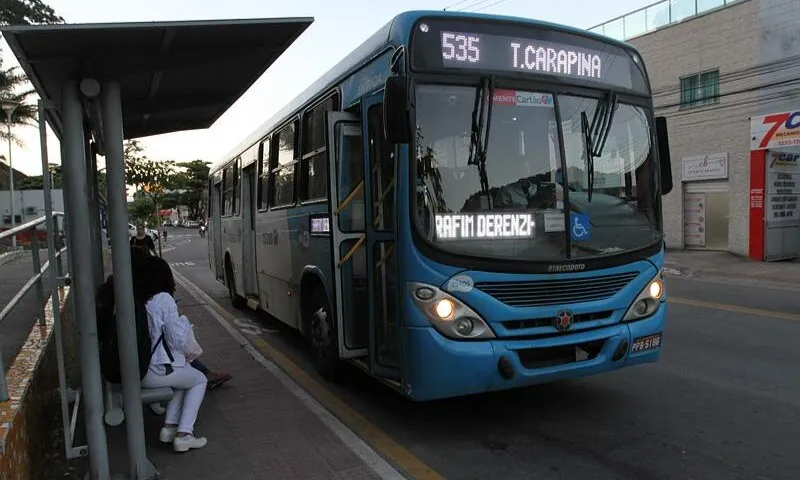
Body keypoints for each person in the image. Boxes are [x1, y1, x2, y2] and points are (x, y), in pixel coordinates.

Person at [134, 255, 208, 452]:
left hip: (140, 367)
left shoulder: (141, 298)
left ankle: (169, 427)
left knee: (185, 378)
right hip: (156, 370)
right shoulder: (163, 299)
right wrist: (183, 321)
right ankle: (185, 434)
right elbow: (177, 339)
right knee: (200, 380)